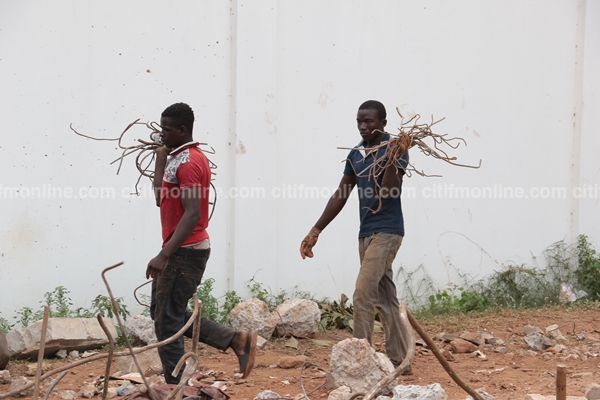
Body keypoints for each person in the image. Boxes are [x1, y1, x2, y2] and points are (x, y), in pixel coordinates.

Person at [147, 102, 257, 384]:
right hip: (178, 248)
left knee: (167, 321)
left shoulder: (191, 162)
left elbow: (193, 213)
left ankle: (176, 387)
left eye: (166, 130)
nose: (162, 134)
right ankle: (235, 340)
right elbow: (161, 197)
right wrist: (160, 159)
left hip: (185, 251)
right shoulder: (176, 157)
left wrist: (164, 254)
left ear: (182, 130)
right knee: (162, 314)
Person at [300, 100, 410, 369]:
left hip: (387, 232)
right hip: (366, 234)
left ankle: (361, 361)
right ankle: (400, 360)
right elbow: (341, 193)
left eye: (369, 121)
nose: (363, 126)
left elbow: (389, 193)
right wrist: (316, 230)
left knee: (362, 294)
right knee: (386, 299)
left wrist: (394, 160)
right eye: (359, 121)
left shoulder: (395, 149)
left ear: (383, 123)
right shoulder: (356, 155)